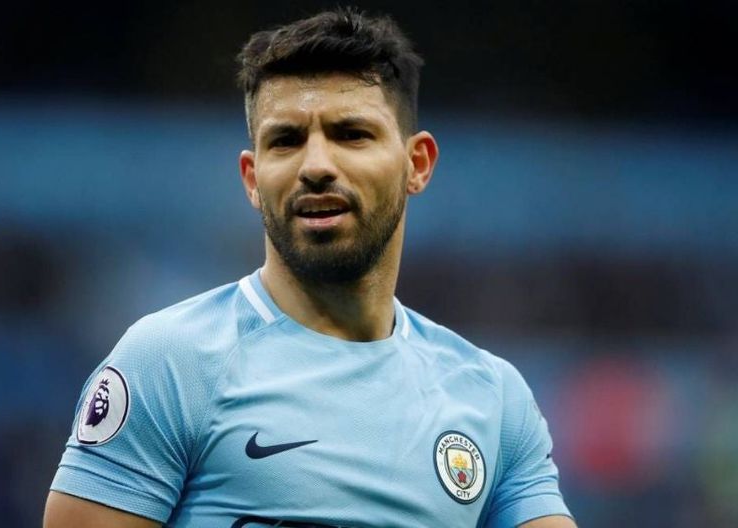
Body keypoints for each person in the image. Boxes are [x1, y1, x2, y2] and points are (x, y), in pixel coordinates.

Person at [44, 8, 575, 528]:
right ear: (252, 178)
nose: (316, 166)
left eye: (351, 134)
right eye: (286, 141)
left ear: (417, 164)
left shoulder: (492, 399)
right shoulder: (172, 363)